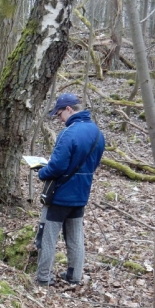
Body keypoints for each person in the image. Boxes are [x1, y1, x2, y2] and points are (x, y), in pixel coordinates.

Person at [34, 93, 105, 286]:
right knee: (75, 237)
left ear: (69, 109)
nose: (59, 119)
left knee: (47, 236)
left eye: (59, 115)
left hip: (59, 195)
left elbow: (57, 166)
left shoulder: (68, 133)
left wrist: (42, 172)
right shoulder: (98, 133)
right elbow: (94, 164)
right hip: (81, 195)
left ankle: (43, 277)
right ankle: (74, 276)